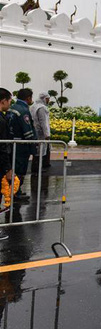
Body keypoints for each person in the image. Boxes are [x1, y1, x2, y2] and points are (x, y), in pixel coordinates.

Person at [8, 88, 37, 200]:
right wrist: (33, 144)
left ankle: (13, 190)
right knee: (20, 169)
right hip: (22, 145)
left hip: (12, 143)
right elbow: (28, 131)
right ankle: (16, 192)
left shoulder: (13, 108)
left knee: (13, 167)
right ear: (28, 98)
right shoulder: (24, 110)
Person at [0, 88, 13, 237]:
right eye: (9, 101)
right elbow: (2, 147)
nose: (10, 104)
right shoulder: (1, 120)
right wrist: (8, 169)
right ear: (3, 101)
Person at [30, 92, 51, 174]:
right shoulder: (42, 108)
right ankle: (37, 168)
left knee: (37, 150)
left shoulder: (33, 106)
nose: (48, 101)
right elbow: (44, 122)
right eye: (48, 99)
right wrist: (47, 134)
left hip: (34, 131)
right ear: (44, 98)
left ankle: (36, 167)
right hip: (40, 132)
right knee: (41, 150)